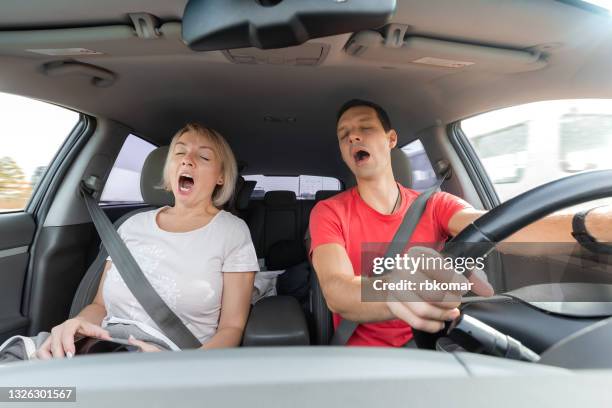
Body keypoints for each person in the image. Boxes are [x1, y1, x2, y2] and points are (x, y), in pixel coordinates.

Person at [309, 99, 612, 347]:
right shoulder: (329, 211)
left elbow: (498, 228)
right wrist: (400, 288)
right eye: (343, 134)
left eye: (365, 127)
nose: (353, 137)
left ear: (391, 140)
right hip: (366, 359)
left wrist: (592, 225)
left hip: (439, 346)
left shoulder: (435, 204)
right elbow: (337, 290)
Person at [37, 123, 259, 358]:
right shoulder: (131, 225)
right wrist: (76, 325)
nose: (187, 160)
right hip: (100, 348)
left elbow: (231, 328)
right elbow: (100, 306)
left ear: (221, 177)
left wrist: (188, 368)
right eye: (179, 152)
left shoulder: (232, 231)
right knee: (16, 380)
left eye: (203, 156)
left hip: (171, 362)